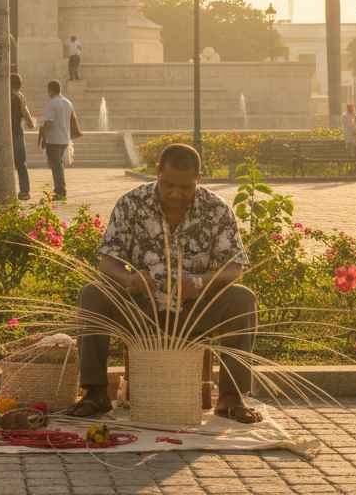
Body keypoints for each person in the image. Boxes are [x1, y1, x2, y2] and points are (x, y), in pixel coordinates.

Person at [66, 143, 262, 424]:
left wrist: (199, 283)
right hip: (140, 311)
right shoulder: (131, 204)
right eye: (168, 184)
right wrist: (129, 280)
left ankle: (231, 397)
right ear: (157, 172)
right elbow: (107, 262)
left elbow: (234, 267)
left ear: (199, 178)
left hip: (194, 312)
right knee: (93, 293)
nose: (176, 194)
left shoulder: (216, 209)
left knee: (242, 299)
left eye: (185, 187)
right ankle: (95, 392)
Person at [39, 80, 77, 201]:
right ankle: (60, 189)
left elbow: (49, 122)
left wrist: (44, 137)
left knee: (56, 166)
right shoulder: (68, 102)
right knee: (58, 165)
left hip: (53, 139)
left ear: (51, 90)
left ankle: (60, 190)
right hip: (64, 139)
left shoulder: (52, 103)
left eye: (48, 90)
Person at [10, 73, 36, 200]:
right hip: (16, 134)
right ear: (20, 85)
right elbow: (28, 120)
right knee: (21, 163)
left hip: (2, 135)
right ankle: (24, 191)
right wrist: (31, 123)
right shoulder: (19, 97)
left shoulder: (1, 95)